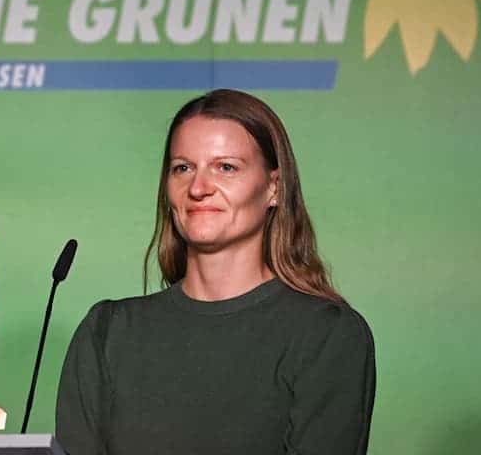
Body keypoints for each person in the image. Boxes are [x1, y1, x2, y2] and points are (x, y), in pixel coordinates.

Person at [56, 89, 375, 454]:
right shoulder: (108, 332)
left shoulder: (327, 335)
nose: (198, 188)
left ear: (274, 187)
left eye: (226, 167)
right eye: (183, 168)